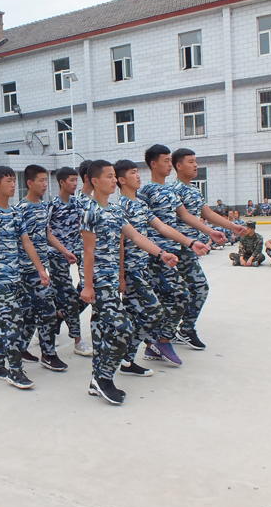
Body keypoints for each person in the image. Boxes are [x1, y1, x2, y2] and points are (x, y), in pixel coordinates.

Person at [81, 160, 179, 405]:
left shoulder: (115, 210)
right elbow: (88, 252)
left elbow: (135, 236)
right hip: (99, 282)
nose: (114, 180)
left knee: (102, 330)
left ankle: (96, 380)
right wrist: (88, 286)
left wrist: (161, 253)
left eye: (115, 176)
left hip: (112, 279)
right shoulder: (90, 210)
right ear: (95, 181)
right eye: (109, 176)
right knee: (122, 327)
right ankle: (104, 379)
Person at [115, 159, 209, 378]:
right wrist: (121, 276)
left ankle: (128, 359)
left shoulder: (140, 205)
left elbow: (162, 227)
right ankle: (132, 353)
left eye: (138, 172)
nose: (138, 176)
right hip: (131, 270)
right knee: (151, 312)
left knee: (142, 313)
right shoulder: (120, 207)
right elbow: (121, 243)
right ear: (122, 180)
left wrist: (190, 243)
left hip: (145, 266)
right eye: (133, 173)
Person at [161, 147, 238, 353]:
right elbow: (182, 218)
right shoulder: (172, 191)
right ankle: (180, 330)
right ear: (178, 166)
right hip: (178, 248)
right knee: (197, 288)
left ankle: (173, 331)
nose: (196, 165)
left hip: (191, 248)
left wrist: (232, 226)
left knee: (187, 291)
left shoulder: (194, 190)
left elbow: (207, 213)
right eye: (191, 162)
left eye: (196, 161)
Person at [0, 166, 47, 389]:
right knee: (14, 321)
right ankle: (15, 371)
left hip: (15, 277)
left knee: (5, 322)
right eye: (8, 180)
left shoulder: (16, 213)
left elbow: (27, 243)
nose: (13, 184)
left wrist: (40, 269)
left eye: (13, 180)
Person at [15, 165, 70, 371]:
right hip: (26, 270)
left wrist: (64, 251)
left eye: (46, 180)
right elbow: (24, 241)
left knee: (30, 312)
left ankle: (21, 348)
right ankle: (48, 354)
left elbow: (47, 234)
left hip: (40, 268)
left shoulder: (43, 207)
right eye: (41, 180)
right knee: (47, 310)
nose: (45, 184)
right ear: (30, 183)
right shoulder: (21, 209)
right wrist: (39, 269)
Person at [46, 167, 91, 356]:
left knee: (84, 292)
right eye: (71, 180)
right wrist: (62, 250)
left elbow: (84, 225)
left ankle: (55, 321)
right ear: (61, 182)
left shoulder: (77, 203)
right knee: (69, 297)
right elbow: (45, 231)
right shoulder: (53, 205)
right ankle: (77, 340)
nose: (74, 183)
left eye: (76, 180)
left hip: (76, 252)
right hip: (57, 256)